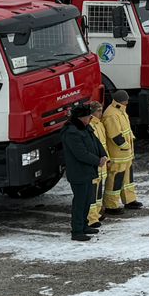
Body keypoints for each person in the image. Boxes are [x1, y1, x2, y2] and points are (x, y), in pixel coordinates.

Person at [61, 100, 107, 242]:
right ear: (81, 118)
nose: (90, 119)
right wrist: (97, 160)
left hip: (87, 171)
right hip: (79, 172)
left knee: (87, 199)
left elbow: (96, 142)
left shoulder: (85, 127)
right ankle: (77, 230)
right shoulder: (71, 132)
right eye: (88, 117)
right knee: (80, 202)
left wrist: (103, 154)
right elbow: (81, 153)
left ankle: (84, 225)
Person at [101, 89, 141, 212]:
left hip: (125, 154)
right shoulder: (111, 114)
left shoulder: (120, 111)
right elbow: (115, 136)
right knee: (115, 180)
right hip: (118, 154)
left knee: (127, 179)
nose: (128, 102)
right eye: (126, 100)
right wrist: (126, 146)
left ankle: (129, 200)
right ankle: (110, 205)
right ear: (121, 101)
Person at [86, 101, 109, 233]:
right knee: (92, 195)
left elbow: (104, 145)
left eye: (101, 110)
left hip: (102, 166)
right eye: (98, 111)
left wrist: (108, 160)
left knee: (98, 194)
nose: (101, 113)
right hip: (95, 166)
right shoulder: (91, 126)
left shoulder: (99, 125)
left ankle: (97, 214)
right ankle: (91, 218)